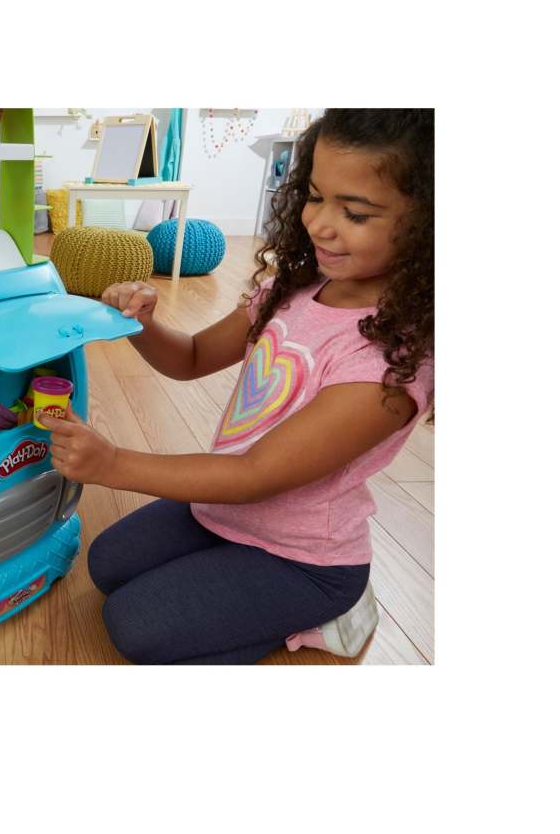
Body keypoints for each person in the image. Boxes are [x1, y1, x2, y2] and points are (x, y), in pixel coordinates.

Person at [48, 109, 434, 664]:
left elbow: (256, 475)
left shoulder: (388, 365)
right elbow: (192, 358)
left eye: (355, 213)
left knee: (134, 626)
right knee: (109, 564)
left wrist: (111, 464)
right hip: (226, 508)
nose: (320, 224)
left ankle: (331, 617)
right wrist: (143, 323)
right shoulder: (292, 289)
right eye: (315, 196)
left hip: (303, 559)